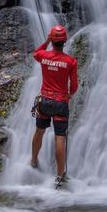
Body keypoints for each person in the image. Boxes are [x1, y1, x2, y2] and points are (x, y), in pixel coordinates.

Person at [30, 24, 79, 188]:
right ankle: (59, 175)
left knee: (40, 131)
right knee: (60, 138)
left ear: (52, 40)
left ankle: (34, 160)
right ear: (65, 41)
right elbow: (75, 86)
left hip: (44, 101)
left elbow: (36, 53)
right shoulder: (70, 61)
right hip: (60, 102)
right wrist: (68, 95)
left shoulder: (44, 56)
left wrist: (46, 41)